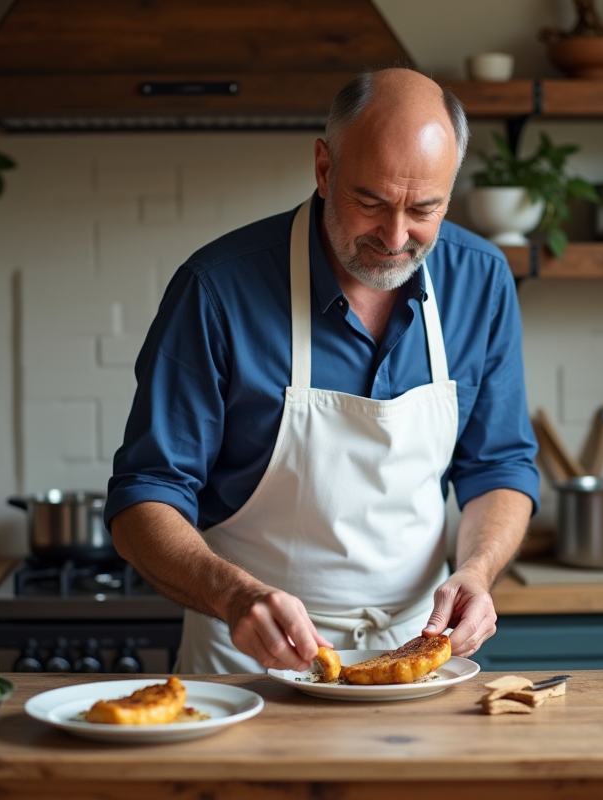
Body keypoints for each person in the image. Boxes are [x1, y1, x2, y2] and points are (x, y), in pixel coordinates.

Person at [105, 68, 539, 675]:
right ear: (323, 168)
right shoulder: (216, 291)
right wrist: (234, 597)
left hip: (419, 658)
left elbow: (497, 467)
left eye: (423, 209)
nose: (394, 237)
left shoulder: (481, 280)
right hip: (251, 660)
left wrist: (477, 570)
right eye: (370, 202)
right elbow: (143, 498)